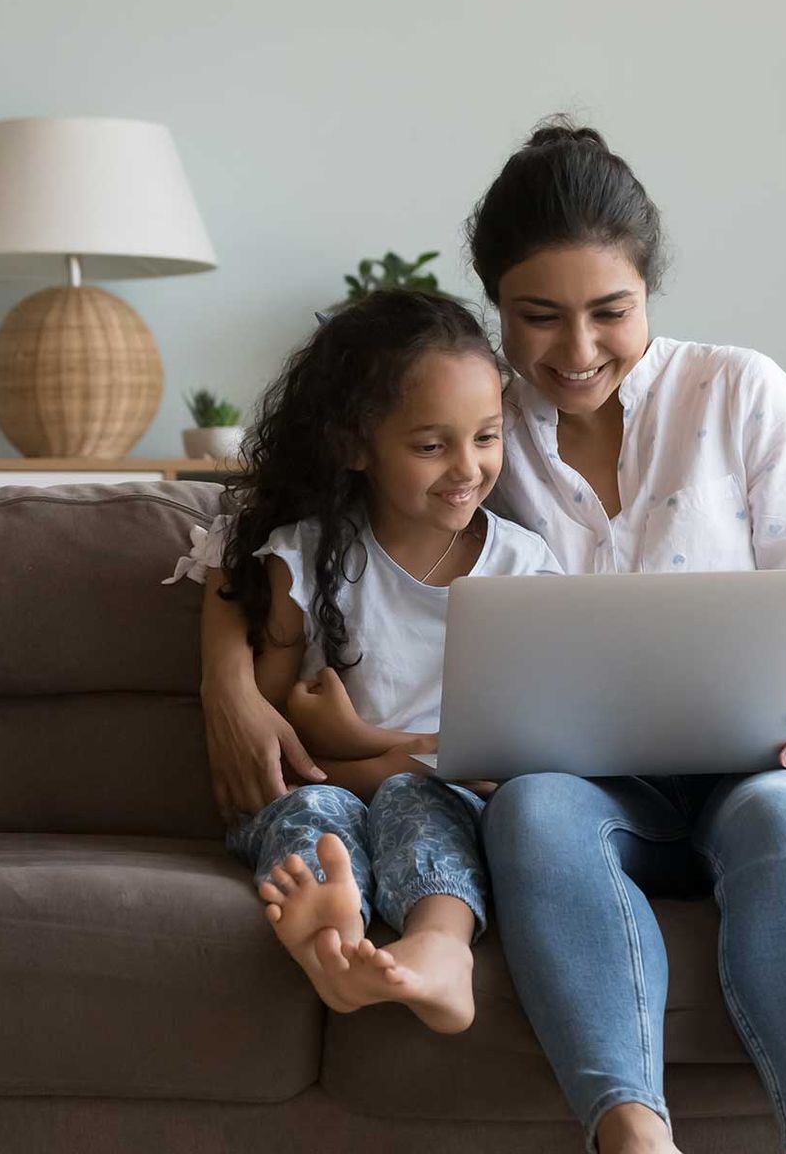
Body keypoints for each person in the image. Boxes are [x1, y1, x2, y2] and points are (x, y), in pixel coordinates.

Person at [199, 122, 786, 1154]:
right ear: (497, 307)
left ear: (650, 291)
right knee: (540, 807)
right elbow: (246, 541)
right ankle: (632, 1135)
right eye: (538, 318)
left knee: (772, 812)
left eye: (611, 313)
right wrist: (228, 688)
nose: (578, 351)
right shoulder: (475, 423)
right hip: (607, 788)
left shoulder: (741, 392)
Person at [167, 288, 560, 1034]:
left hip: (450, 800)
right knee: (314, 815)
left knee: (424, 807)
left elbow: (504, 764)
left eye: (486, 436)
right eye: (430, 445)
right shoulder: (305, 559)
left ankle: (441, 954)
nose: (468, 468)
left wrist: (371, 747)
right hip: (326, 789)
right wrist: (380, 759)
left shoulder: (522, 568)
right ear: (355, 446)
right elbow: (281, 758)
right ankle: (332, 947)